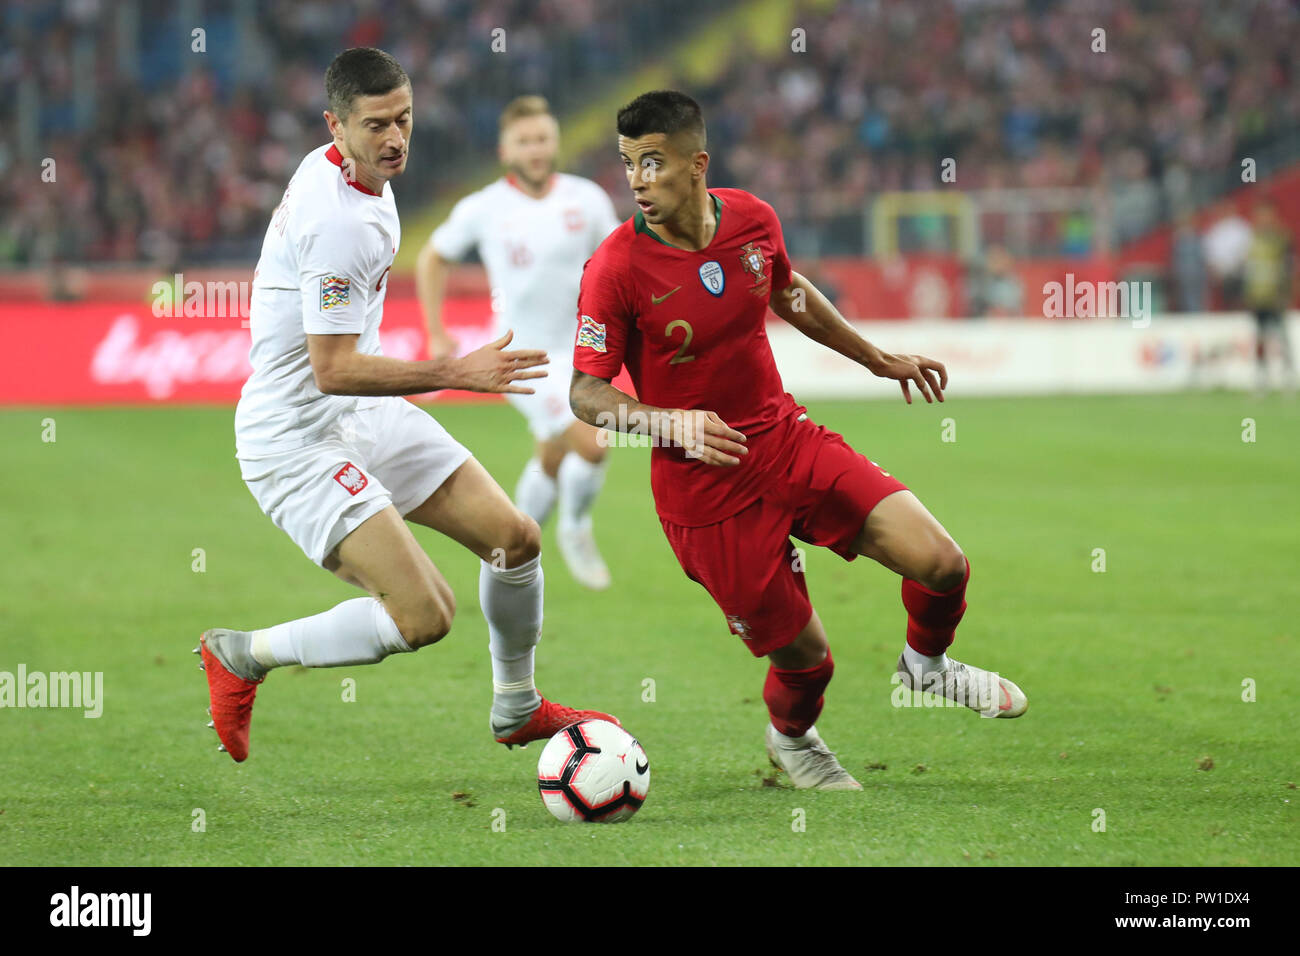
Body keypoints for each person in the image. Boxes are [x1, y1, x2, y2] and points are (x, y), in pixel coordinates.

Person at [569, 91, 1026, 791]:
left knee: (942, 563)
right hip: (704, 491)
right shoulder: (615, 269)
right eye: (628, 164)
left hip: (784, 440)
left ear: (697, 165)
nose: (636, 180)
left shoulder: (752, 219)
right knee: (808, 662)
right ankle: (793, 739)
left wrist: (879, 359)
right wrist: (667, 421)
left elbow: (790, 294)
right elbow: (586, 393)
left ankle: (926, 666)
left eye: (652, 163)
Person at [200, 48, 615, 762]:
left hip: (360, 418)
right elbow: (331, 369)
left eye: (404, 119)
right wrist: (455, 369)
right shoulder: (338, 223)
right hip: (295, 442)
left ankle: (517, 706)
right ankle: (243, 654)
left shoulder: (357, 176)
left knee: (514, 540)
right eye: (375, 126)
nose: (395, 139)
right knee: (425, 617)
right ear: (335, 125)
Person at [418, 96, 621, 589]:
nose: (535, 149)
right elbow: (431, 258)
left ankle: (509, 553)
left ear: (555, 142)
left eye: (543, 139)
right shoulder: (484, 207)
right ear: (505, 149)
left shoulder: (585, 198)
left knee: (553, 457)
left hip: (579, 350)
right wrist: (436, 331)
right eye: (524, 141)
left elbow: (618, 261)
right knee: (596, 442)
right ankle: (575, 528)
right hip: (522, 357)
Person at [1243, 200, 1296, 393]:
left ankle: (1288, 378)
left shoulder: (1281, 239)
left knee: (1281, 337)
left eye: (1266, 215)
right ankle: (1261, 380)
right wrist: (1248, 293)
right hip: (1258, 297)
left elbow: (1288, 268)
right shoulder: (1252, 239)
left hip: (1275, 296)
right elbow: (1250, 270)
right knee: (1260, 339)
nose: (1262, 219)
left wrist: (1286, 293)